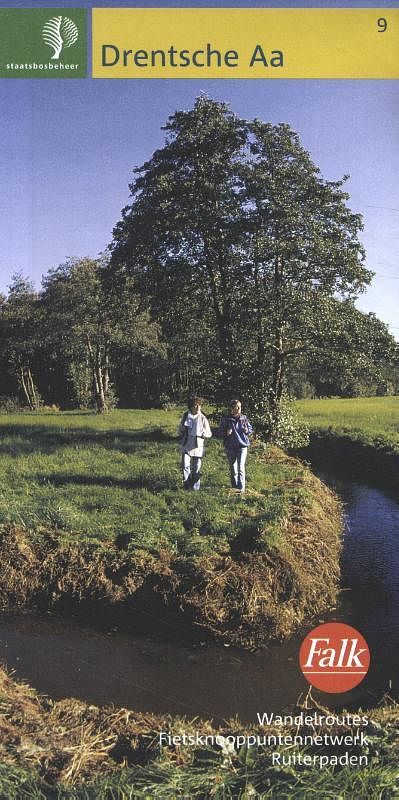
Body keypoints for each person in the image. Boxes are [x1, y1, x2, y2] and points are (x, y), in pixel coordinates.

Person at [218, 399, 253, 492]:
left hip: (242, 446)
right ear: (231, 408)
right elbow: (219, 432)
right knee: (233, 468)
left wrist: (247, 431)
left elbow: (250, 429)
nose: (237, 409)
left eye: (239, 407)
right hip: (230, 446)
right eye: (235, 407)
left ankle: (241, 490)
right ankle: (234, 488)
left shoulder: (244, 418)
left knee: (240, 467)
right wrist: (226, 433)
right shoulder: (226, 419)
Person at [178, 396, 212, 490]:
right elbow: (180, 429)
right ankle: (187, 485)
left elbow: (209, 433)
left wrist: (203, 434)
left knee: (196, 468)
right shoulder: (186, 416)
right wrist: (182, 431)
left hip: (198, 446)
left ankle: (195, 488)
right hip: (186, 444)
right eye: (195, 406)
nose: (198, 408)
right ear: (191, 407)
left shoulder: (202, 418)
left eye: (199, 406)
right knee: (185, 465)